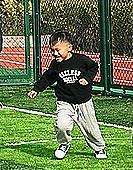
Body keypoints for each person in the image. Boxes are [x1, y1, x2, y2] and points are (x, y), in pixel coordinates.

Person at [27, 31, 107, 160]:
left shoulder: (81, 60)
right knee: (61, 125)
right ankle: (64, 144)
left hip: (83, 102)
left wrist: (87, 78)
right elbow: (47, 78)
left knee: (91, 128)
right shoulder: (55, 65)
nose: (55, 53)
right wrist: (36, 89)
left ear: (69, 48)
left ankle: (99, 148)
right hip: (65, 102)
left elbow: (93, 67)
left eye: (58, 50)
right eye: (52, 50)